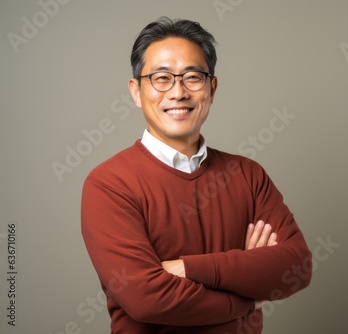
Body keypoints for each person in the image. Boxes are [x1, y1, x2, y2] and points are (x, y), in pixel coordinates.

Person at [81, 16, 312, 334]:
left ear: (212, 88)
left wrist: (188, 267)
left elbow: (297, 268)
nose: (178, 93)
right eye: (161, 78)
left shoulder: (248, 175)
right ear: (136, 92)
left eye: (192, 77)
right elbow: (146, 299)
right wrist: (244, 294)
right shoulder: (109, 184)